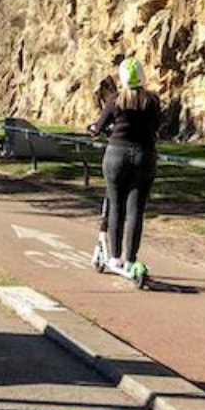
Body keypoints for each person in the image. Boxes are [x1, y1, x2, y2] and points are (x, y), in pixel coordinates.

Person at [87, 56, 162, 279]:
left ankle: (114, 256)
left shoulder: (115, 101)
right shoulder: (152, 101)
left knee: (115, 206)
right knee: (135, 210)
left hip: (116, 156)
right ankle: (130, 259)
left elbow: (99, 126)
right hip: (144, 156)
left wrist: (93, 128)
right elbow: (156, 126)